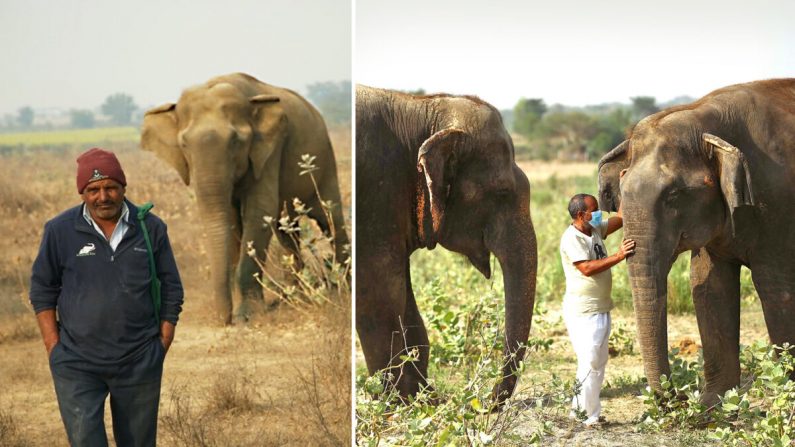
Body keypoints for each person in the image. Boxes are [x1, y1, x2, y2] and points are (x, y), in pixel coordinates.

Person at [30, 147, 184, 446]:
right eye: (93, 189)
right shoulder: (60, 230)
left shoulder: (150, 227)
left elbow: (172, 287)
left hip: (139, 358)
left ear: (123, 188)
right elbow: (42, 290)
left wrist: (163, 341)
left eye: (111, 187)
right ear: (82, 193)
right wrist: (54, 347)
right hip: (76, 361)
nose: (103, 196)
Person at [559, 192, 634, 427]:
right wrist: (620, 255)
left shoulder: (594, 229)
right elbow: (588, 267)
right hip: (583, 311)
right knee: (589, 361)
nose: (599, 213)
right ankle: (586, 415)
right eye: (595, 209)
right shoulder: (572, 239)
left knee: (598, 362)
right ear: (581, 214)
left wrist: (626, 184)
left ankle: (584, 411)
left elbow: (621, 217)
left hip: (601, 307)